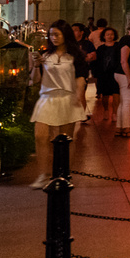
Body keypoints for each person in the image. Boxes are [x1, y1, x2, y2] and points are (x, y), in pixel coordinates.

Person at [30, 20, 89, 188]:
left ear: (65, 35)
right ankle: (43, 174)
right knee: (40, 136)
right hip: (47, 98)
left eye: (57, 34)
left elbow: (80, 77)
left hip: (66, 99)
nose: (53, 38)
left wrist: (78, 94)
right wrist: (35, 65)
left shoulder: (75, 56)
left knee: (65, 139)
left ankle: (64, 173)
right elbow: (36, 79)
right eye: (51, 35)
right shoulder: (46, 56)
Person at [91, 26, 120, 127]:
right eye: (107, 34)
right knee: (105, 94)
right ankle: (106, 110)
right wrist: (96, 73)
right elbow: (97, 61)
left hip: (115, 73)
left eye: (111, 34)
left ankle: (115, 112)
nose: (110, 36)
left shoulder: (118, 46)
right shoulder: (100, 49)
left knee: (116, 93)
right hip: (104, 74)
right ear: (104, 36)